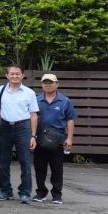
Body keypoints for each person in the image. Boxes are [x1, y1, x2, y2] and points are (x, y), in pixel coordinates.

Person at [0, 64, 39, 203]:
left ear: (22, 75)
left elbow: (33, 115)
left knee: (25, 161)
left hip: (23, 127)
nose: (14, 76)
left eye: (17, 74)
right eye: (12, 74)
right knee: (3, 161)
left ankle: (25, 192)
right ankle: (5, 191)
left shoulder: (29, 92)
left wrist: (33, 136)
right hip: (5, 127)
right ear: (7, 75)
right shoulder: (0, 90)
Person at [33, 73, 76, 205]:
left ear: (57, 84)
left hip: (57, 140)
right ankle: (41, 192)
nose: (48, 85)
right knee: (39, 168)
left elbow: (70, 120)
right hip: (39, 139)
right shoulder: (36, 99)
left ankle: (57, 194)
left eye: (51, 82)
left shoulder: (65, 101)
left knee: (57, 169)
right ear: (42, 85)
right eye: (45, 82)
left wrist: (69, 138)